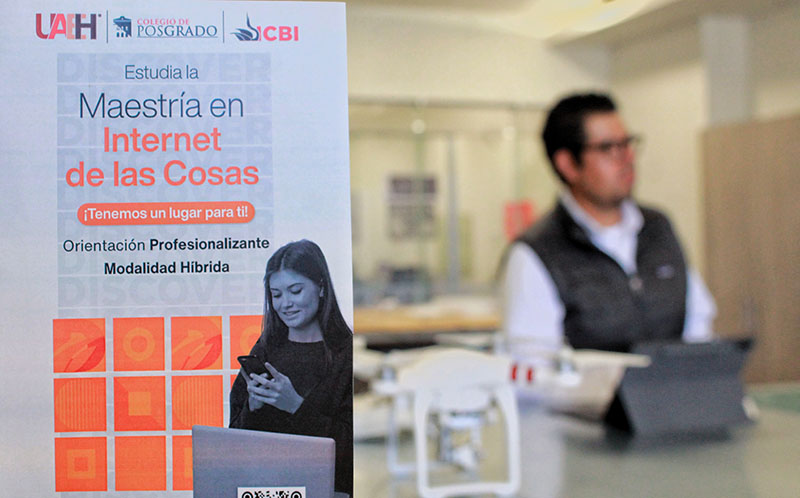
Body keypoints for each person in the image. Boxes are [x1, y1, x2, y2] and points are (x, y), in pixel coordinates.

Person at [503, 92, 716, 355]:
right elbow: (534, 364)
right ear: (568, 164)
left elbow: (699, 325)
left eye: (627, 143)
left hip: (673, 382)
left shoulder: (657, 227)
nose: (626, 158)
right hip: (590, 385)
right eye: (607, 148)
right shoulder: (537, 252)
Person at [230, 239, 353, 496]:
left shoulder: (346, 354)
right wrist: (253, 408)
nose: (285, 303)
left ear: (321, 287)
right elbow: (234, 446)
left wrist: (295, 405)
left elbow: (351, 451)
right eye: (276, 295)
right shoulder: (264, 349)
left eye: (295, 291)